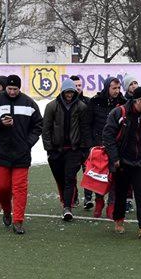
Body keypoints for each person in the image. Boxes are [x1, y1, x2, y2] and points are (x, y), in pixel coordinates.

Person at [0, 74, 43, 235]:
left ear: (19, 88)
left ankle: (18, 221)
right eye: (9, 89)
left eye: (15, 89)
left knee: (20, 189)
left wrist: (28, 143)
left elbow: (38, 125)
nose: (12, 92)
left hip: (21, 154)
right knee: (2, 187)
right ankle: (7, 210)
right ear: (6, 87)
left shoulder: (29, 103)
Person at [102, 86, 141, 239]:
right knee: (121, 193)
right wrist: (115, 158)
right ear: (138, 101)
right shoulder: (119, 113)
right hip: (123, 162)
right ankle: (118, 220)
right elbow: (108, 136)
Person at [42, 78, 91, 221]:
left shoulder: (81, 107)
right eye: (67, 92)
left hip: (73, 150)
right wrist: (49, 149)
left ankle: (67, 207)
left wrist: (84, 150)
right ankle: (70, 198)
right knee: (60, 178)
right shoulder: (51, 106)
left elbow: (84, 129)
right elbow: (46, 129)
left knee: (69, 178)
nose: (69, 95)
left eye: (71, 92)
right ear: (62, 92)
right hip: (56, 150)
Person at [87, 76, 126, 216]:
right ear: (107, 87)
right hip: (99, 146)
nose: (117, 91)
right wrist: (91, 145)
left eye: (118, 88)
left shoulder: (123, 103)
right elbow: (87, 124)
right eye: (114, 88)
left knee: (115, 176)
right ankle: (99, 201)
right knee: (99, 176)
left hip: (116, 146)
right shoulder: (95, 101)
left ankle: (111, 204)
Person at [69, 75, 93, 208]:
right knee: (71, 173)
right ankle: (74, 196)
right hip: (71, 144)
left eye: (79, 85)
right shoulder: (65, 103)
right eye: (75, 86)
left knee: (87, 171)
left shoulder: (88, 102)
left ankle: (88, 199)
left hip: (86, 144)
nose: (78, 88)